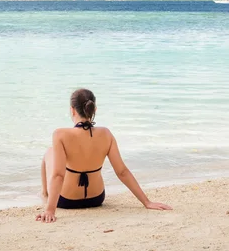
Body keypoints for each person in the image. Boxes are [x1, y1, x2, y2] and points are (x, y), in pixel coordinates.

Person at [36, 88, 172, 223]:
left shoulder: (60, 134)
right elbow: (122, 172)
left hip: (65, 200)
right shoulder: (106, 134)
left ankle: (45, 195)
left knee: (50, 152)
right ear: (94, 109)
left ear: (72, 110)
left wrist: (50, 210)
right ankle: (45, 195)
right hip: (96, 199)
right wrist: (147, 202)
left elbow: (58, 175)